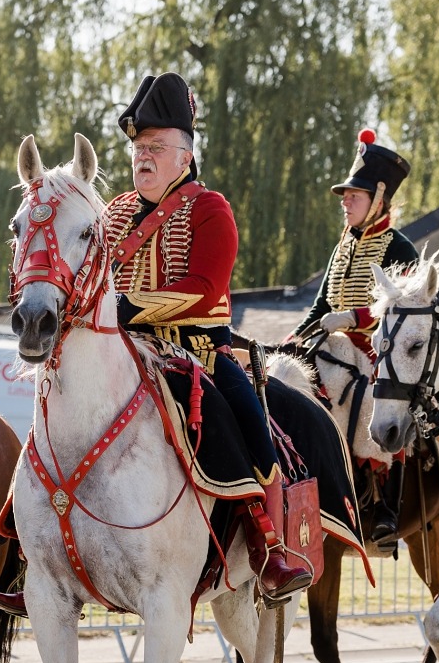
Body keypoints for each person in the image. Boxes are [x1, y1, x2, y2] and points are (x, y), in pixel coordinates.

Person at [106, 72, 312, 600]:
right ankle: (28, 552)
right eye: (137, 148)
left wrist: (129, 307)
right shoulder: (114, 214)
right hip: (122, 354)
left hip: (197, 354)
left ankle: (270, 549)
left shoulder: (208, 207)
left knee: (246, 424)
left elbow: (203, 289)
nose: (142, 158)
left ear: (185, 154)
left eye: (155, 147)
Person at [289, 129, 418, 544]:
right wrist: (298, 335)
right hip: (333, 345)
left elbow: (404, 313)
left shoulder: (399, 247)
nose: (345, 202)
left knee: (369, 395)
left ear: (379, 199)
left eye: (354, 196)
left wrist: (353, 318)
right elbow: (322, 305)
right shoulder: (343, 245)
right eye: (345, 196)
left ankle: (382, 504)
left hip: (378, 350)